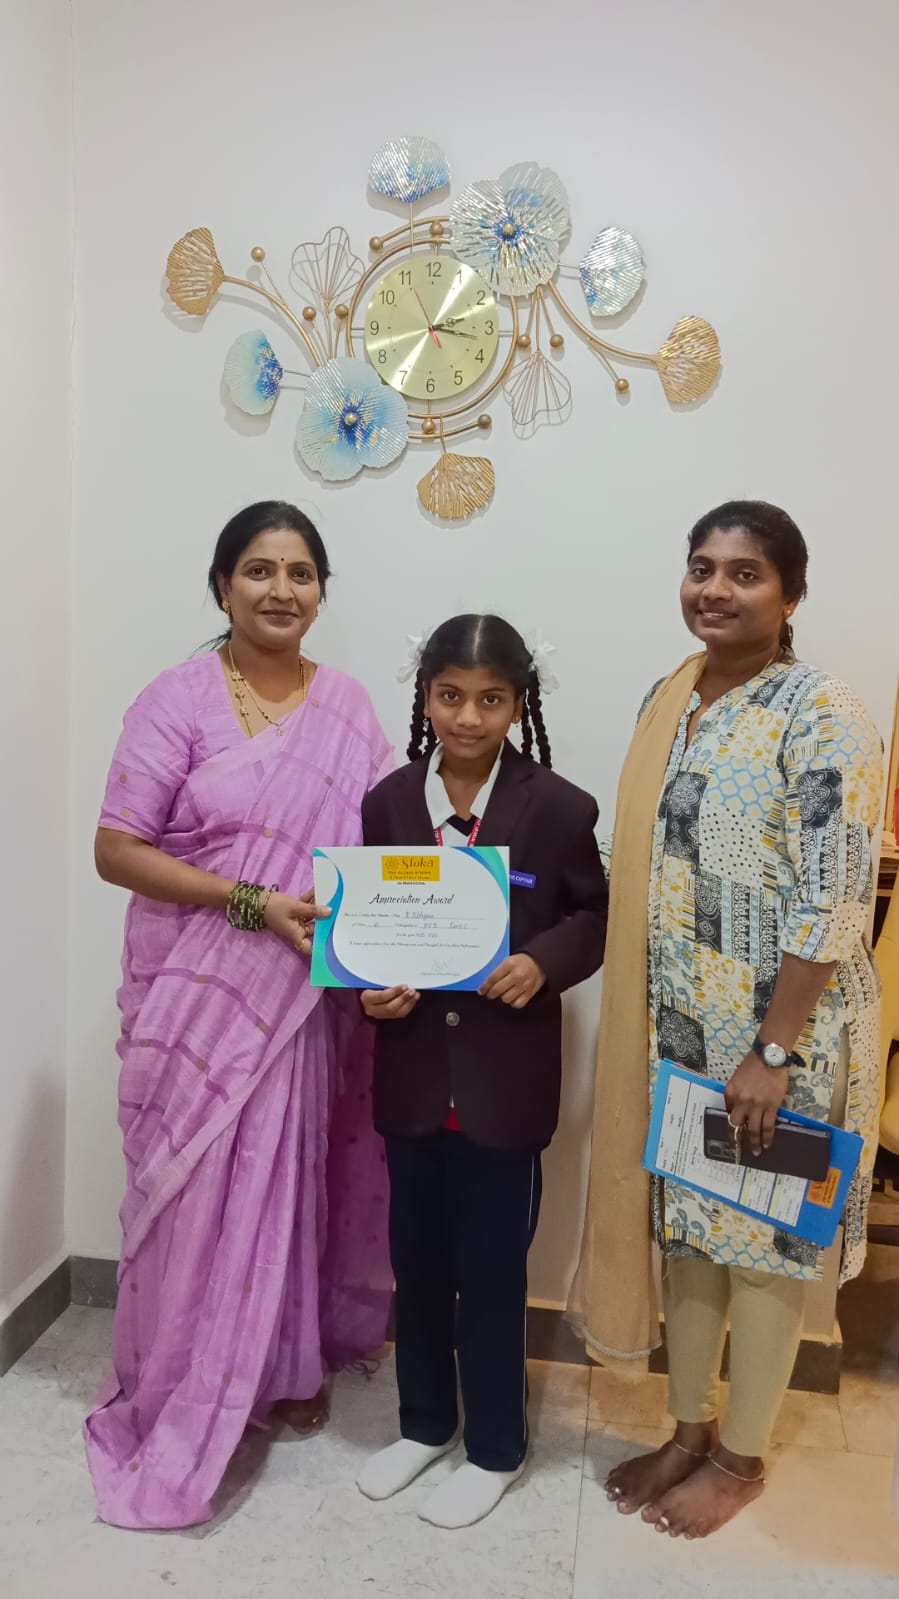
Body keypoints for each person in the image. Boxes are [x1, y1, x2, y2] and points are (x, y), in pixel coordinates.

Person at [571, 501, 882, 1540]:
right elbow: (638, 856)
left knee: (766, 1245)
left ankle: (740, 1458)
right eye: (700, 566)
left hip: (781, 1038)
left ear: (789, 594)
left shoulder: (820, 710)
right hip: (682, 1031)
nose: (714, 588)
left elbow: (834, 896)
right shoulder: (674, 698)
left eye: (743, 573)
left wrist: (773, 1049)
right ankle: (688, 1429)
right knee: (694, 1237)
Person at [85, 500, 394, 1529]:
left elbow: (380, 846)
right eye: (258, 570)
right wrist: (248, 901)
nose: (279, 590)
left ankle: (280, 1363)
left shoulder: (346, 707)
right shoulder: (173, 699)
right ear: (222, 586)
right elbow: (116, 848)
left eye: (300, 573)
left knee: (286, 1178)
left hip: (299, 1002)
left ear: (321, 593)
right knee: (191, 1190)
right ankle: (180, 1380)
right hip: (194, 994)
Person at [355, 615, 608, 1528]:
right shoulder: (387, 802)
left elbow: (592, 917)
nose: (467, 717)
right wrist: (367, 991)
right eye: (449, 696)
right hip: (413, 1080)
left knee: (493, 1272)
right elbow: (366, 926)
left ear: (518, 702)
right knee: (416, 1264)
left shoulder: (559, 807)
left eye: (490, 699)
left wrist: (542, 960)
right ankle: (424, 1424)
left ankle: (496, 1446)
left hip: (504, 1088)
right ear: (424, 696)